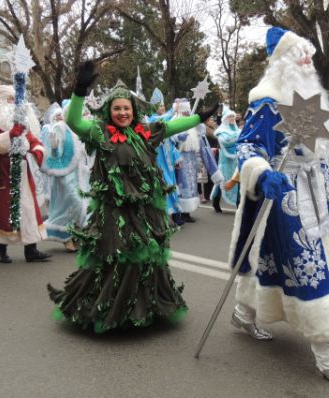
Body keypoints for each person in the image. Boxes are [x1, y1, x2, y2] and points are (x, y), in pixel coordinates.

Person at [228, 27, 329, 389]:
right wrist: (261, 174)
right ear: (282, 61)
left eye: (308, 54)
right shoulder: (267, 100)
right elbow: (246, 147)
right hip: (283, 198)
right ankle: (327, 357)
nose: (307, 60)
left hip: (313, 191)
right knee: (311, 268)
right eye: (299, 53)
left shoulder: (310, 98)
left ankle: (243, 312)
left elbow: (320, 152)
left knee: (267, 261)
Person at [48, 62, 219, 333]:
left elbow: (173, 126)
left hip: (144, 209)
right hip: (113, 211)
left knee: (147, 257)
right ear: (109, 111)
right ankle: (109, 308)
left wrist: (200, 118)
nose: (122, 112)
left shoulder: (146, 132)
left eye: (126, 108)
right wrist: (79, 90)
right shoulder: (98, 132)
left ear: (134, 110)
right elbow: (73, 121)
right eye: (117, 108)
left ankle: (144, 306)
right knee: (118, 255)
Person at [0, 85, 51, 263]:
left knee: (28, 208)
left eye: (16, 100)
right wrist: (10, 135)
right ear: (1, 102)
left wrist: (38, 150)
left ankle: (31, 249)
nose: (14, 104)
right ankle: (1, 251)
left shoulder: (21, 120)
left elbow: (32, 139)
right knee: (1, 210)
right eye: (10, 100)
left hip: (23, 170)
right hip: (1, 170)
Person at [41, 102, 90, 252]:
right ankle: (66, 238)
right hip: (65, 173)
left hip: (81, 173)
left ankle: (76, 235)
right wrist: (54, 147)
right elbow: (53, 154)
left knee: (81, 205)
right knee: (72, 203)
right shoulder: (60, 127)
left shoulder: (81, 128)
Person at [172, 98, 223, 223]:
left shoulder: (191, 123)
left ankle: (186, 213)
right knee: (179, 188)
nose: (187, 113)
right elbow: (170, 141)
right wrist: (177, 139)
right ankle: (177, 213)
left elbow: (202, 134)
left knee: (190, 187)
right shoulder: (174, 121)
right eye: (185, 111)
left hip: (191, 160)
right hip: (178, 160)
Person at [150, 99, 184, 226]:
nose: (163, 107)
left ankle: (174, 215)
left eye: (164, 105)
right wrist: (173, 110)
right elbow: (162, 120)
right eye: (160, 105)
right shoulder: (151, 120)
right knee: (163, 186)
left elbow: (171, 142)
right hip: (158, 161)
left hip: (168, 162)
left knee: (172, 186)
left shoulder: (166, 122)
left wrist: (176, 157)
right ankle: (162, 217)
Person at [211, 107, 241, 212]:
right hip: (226, 161)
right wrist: (237, 137)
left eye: (233, 116)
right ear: (225, 119)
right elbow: (226, 141)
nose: (232, 118)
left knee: (237, 181)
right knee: (223, 182)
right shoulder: (221, 131)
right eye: (230, 116)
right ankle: (215, 201)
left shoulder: (237, 129)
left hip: (237, 160)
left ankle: (239, 205)